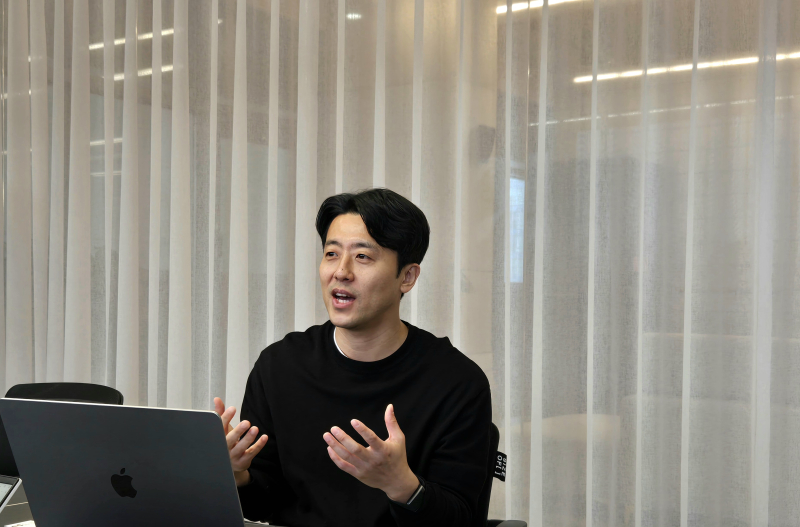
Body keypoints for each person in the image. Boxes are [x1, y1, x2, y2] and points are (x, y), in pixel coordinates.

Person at [213, 188, 492, 527]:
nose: (341, 271)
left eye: (362, 257)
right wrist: (236, 475)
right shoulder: (280, 366)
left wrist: (401, 485)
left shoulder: (457, 382)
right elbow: (264, 502)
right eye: (331, 254)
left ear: (407, 277)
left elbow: (461, 519)